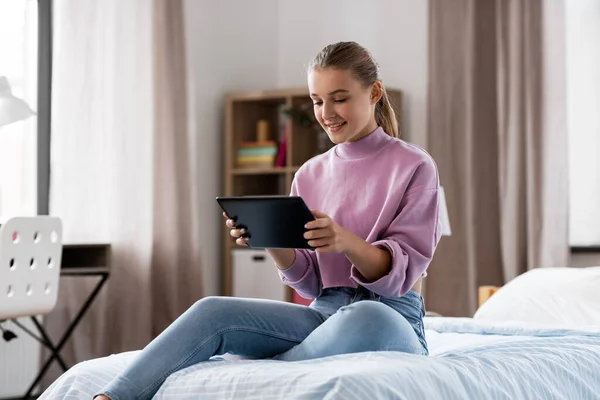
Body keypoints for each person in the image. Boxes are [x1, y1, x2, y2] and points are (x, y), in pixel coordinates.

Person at [94, 41, 441, 400]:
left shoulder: (415, 166)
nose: (326, 112)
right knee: (212, 310)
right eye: (317, 101)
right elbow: (308, 283)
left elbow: (401, 273)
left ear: (374, 93)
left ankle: (277, 365)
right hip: (323, 315)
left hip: (390, 317)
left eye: (339, 98)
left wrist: (345, 241)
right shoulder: (309, 174)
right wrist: (268, 238)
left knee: (367, 315)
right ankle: (112, 398)